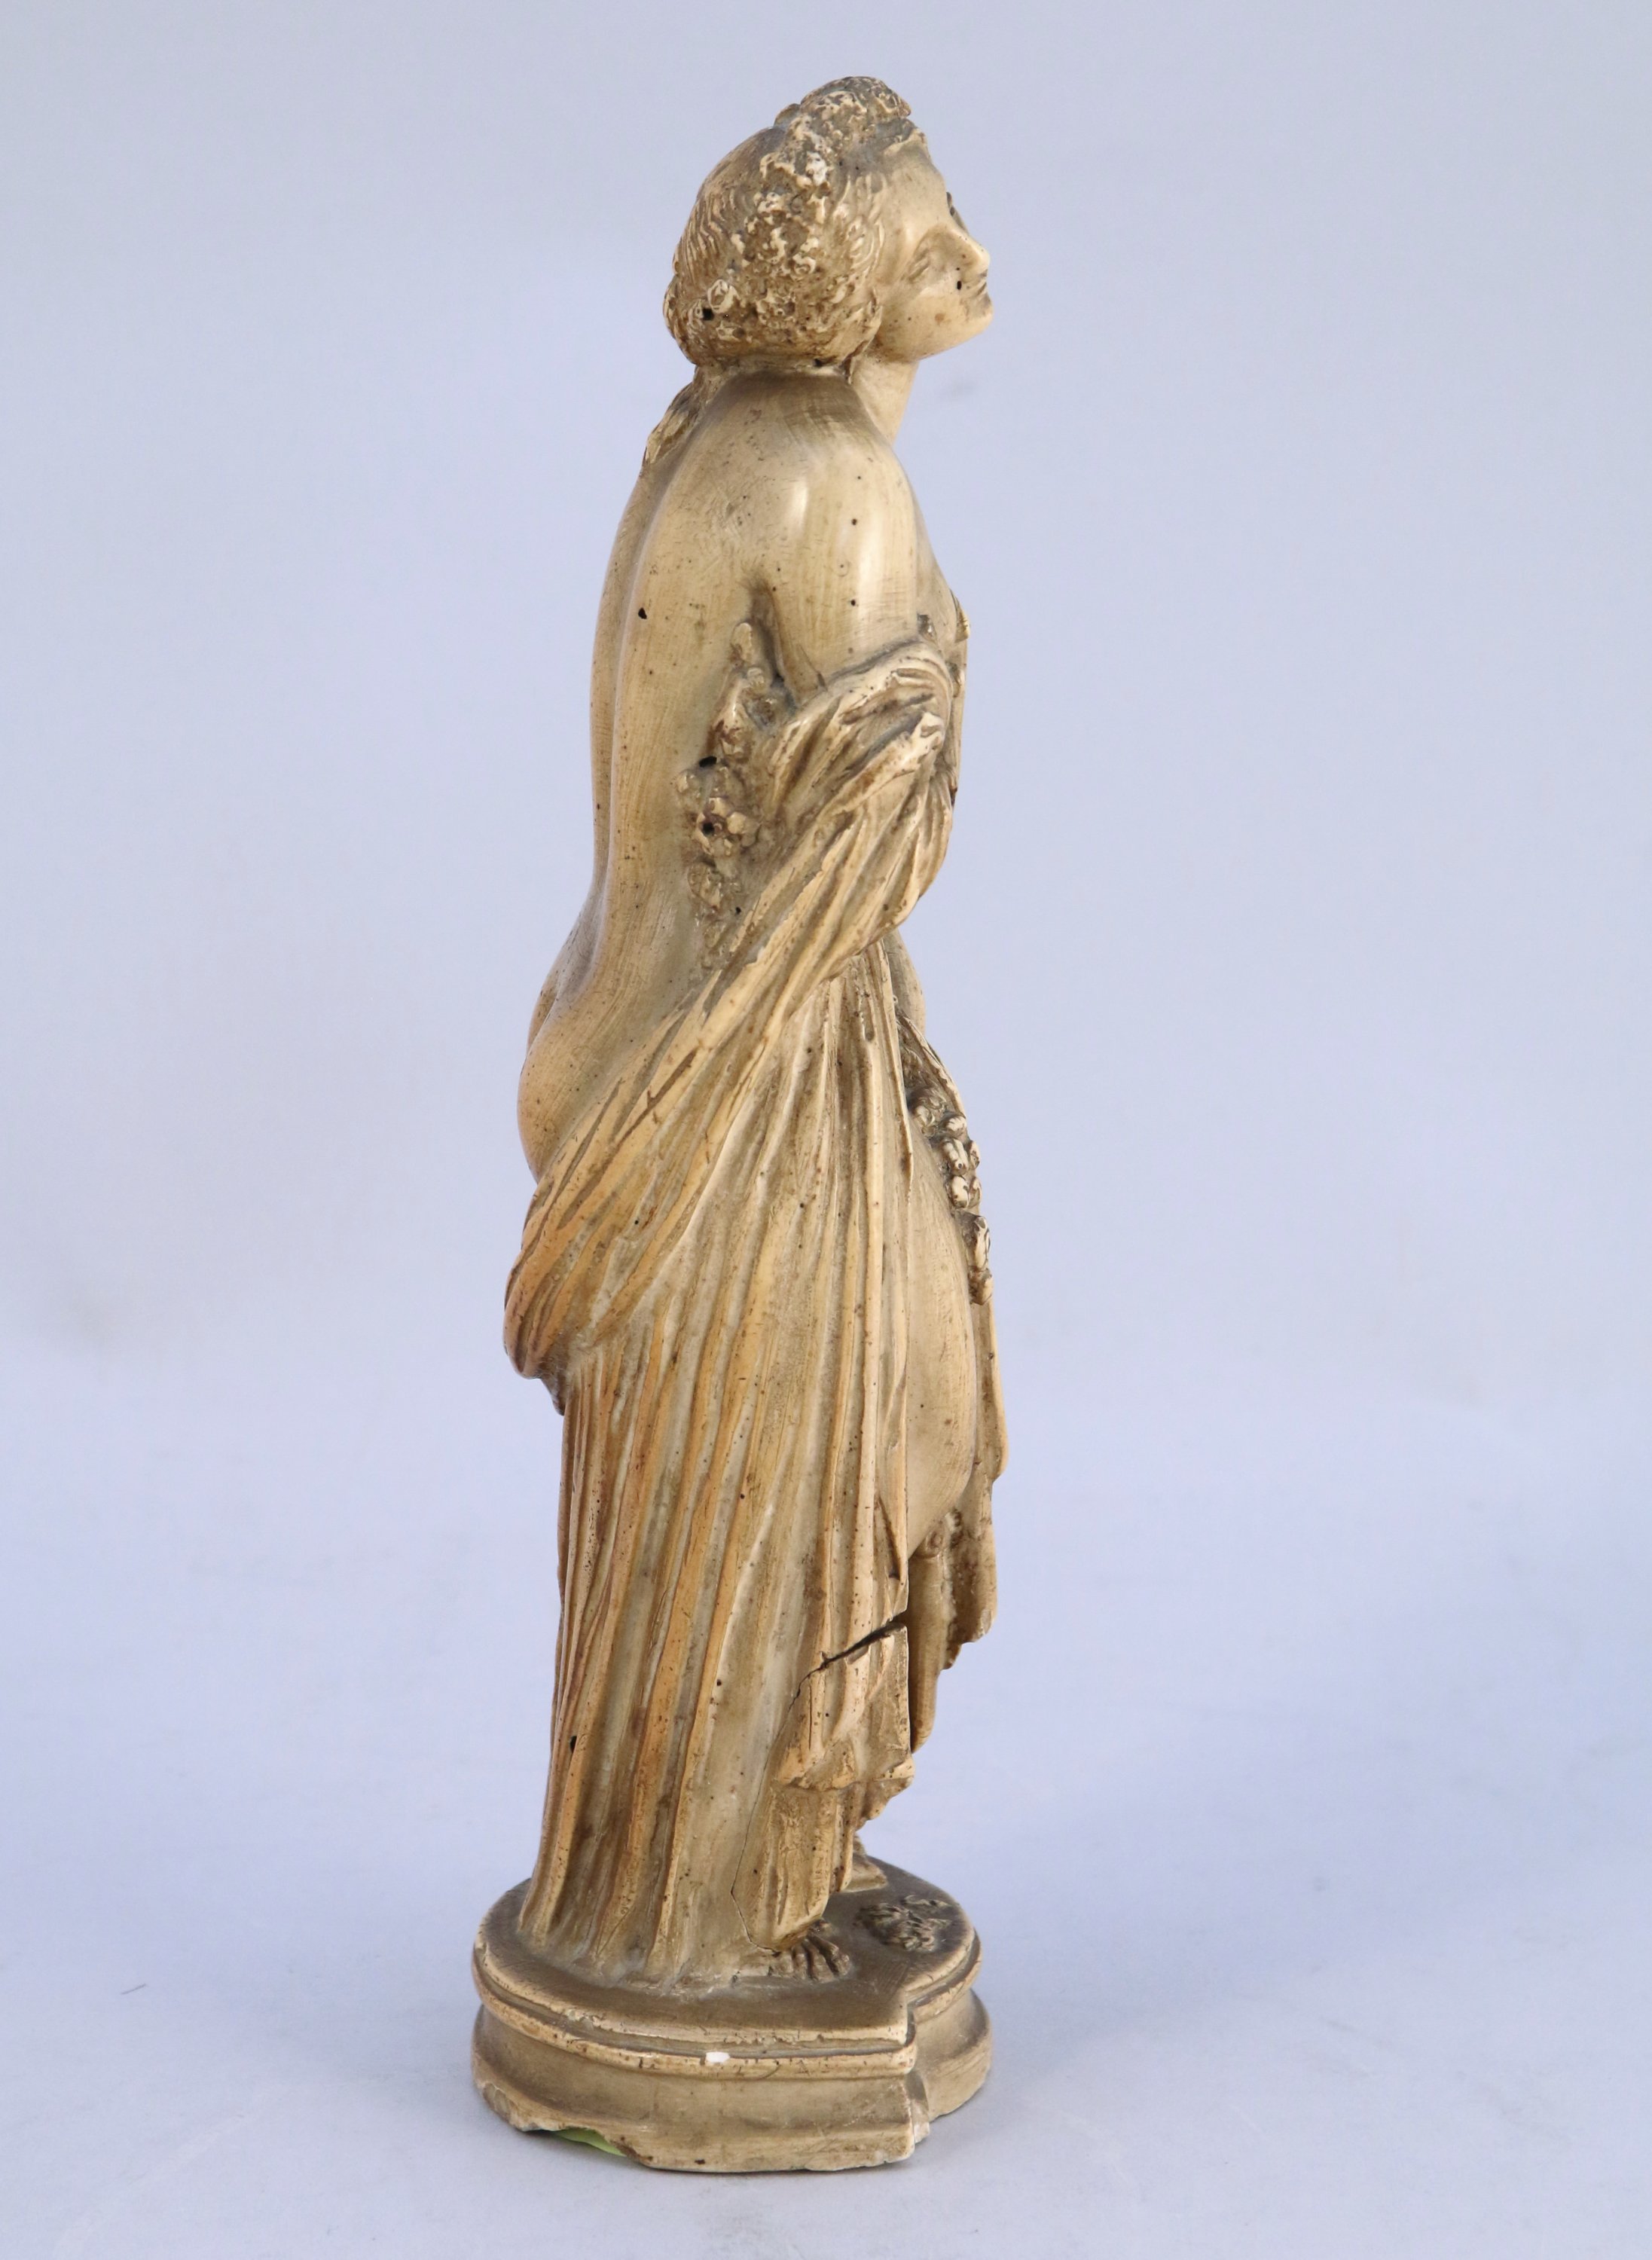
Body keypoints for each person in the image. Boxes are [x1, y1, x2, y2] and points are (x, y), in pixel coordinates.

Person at [505, 78, 1006, 1990]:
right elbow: (868, 831)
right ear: (850, 282)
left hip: (641, 1021)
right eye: (933, 241)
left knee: (718, 1504)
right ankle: (711, 1921)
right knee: (790, 1477)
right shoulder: (832, 475)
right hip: (755, 1057)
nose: (974, 263)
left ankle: (684, 1896)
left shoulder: (711, 435)